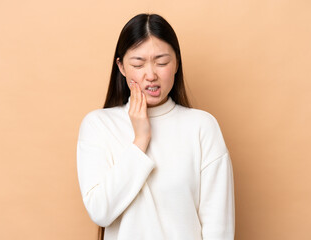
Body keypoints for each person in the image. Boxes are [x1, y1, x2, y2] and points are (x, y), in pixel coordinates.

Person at [76, 13, 235, 240]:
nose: (151, 75)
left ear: (177, 62)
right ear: (121, 67)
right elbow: (101, 211)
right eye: (138, 64)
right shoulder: (98, 126)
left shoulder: (202, 127)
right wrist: (140, 139)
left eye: (161, 62)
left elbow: (218, 228)